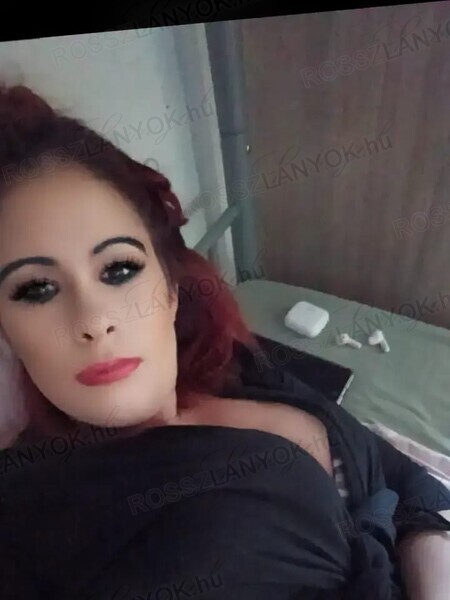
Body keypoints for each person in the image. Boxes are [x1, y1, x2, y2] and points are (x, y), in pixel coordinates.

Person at [0, 84, 448, 600]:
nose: (95, 320)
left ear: (170, 287)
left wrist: (427, 548)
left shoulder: (232, 365)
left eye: (119, 269)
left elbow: (404, 481)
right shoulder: (41, 515)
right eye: (36, 289)